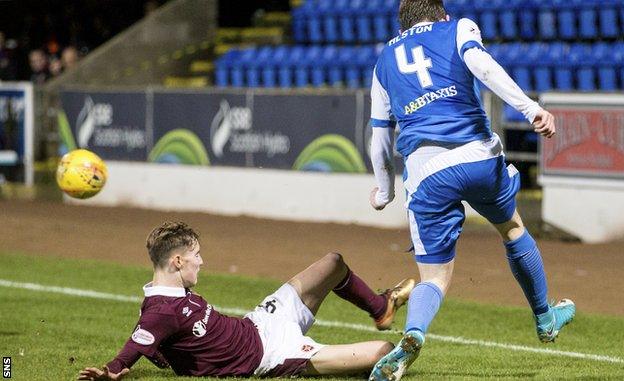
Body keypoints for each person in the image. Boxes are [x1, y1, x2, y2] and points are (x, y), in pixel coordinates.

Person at [367, 1, 575, 380]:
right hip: (476, 156)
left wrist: (384, 191)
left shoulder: (384, 61)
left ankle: (414, 333)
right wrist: (530, 109)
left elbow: (380, 134)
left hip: (426, 171)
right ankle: (545, 318)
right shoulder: (458, 28)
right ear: (440, 13)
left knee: (433, 278)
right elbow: (483, 66)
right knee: (512, 228)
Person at [78, 221, 416, 380]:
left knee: (332, 262)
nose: (202, 261)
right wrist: (112, 371)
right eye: (196, 255)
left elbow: (166, 344)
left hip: (260, 322)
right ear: (178, 261)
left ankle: (380, 307)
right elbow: (132, 349)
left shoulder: (168, 293)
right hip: (271, 355)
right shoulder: (159, 311)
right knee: (384, 353)